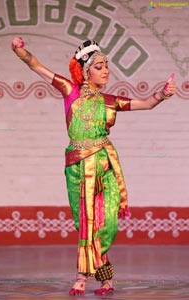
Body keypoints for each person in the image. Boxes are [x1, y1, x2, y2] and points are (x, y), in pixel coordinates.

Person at [11, 37, 176, 296]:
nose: (106, 70)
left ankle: (94, 276)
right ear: (85, 71)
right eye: (99, 66)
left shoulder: (111, 101)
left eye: (107, 66)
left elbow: (146, 104)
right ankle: (91, 278)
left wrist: (163, 94)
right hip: (77, 166)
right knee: (86, 222)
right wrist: (19, 51)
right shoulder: (70, 91)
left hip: (104, 165)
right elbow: (37, 66)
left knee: (107, 223)